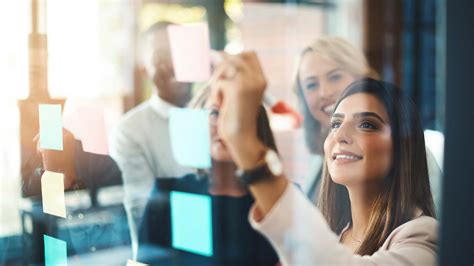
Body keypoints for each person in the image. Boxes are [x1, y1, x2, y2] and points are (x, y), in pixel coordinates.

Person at [211, 52, 437, 264]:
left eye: (367, 124)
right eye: (336, 124)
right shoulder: (335, 233)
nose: (339, 135)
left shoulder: (424, 238)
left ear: (403, 148)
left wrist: (245, 143)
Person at [294, 37, 442, 213]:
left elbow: (437, 227)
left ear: (361, 78)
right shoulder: (322, 158)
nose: (324, 92)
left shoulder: (409, 152)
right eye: (311, 85)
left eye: (335, 77)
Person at [136, 87, 278, 265]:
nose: (223, 124)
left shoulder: (276, 199)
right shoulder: (171, 192)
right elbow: (143, 260)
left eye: (236, 113)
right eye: (214, 113)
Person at [109, 21, 194, 257]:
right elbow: (145, 218)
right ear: (145, 69)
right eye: (161, 56)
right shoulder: (130, 131)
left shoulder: (217, 118)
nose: (174, 62)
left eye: (181, 51)